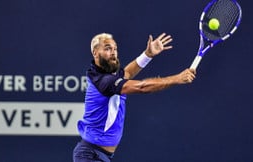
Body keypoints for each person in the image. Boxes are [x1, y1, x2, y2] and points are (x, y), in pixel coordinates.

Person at [73, 32, 196, 162]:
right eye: (108, 48)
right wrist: (176, 79)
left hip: (98, 154)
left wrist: (147, 55)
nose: (113, 52)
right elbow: (141, 87)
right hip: (91, 155)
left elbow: (127, 73)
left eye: (115, 49)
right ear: (95, 53)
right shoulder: (103, 81)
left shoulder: (106, 73)